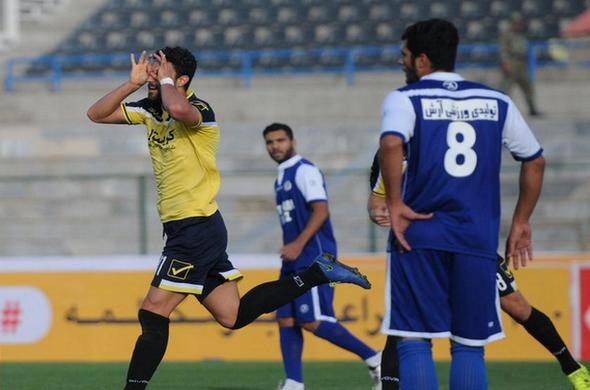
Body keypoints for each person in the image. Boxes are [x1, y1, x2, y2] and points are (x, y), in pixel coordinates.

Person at [86, 46, 371, 390]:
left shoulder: (199, 110)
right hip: (193, 227)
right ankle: (316, 274)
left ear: (182, 79)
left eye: (160, 68)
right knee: (232, 316)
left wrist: (163, 80)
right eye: (152, 67)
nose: (153, 73)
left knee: (153, 311)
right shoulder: (150, 109)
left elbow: (178, 107)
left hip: (194, 228)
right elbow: (97, 114)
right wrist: (131, 84)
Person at [379, 19, 546, 390]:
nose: (400, 63)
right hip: (476, 239)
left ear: (421, 61)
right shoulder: (496, 101)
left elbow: (391, 145)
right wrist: (521, 221)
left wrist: (394, 203)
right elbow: (534, 159)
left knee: (413, 340)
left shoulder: (405, 98)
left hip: (418, 234)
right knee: (469, 346)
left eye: (404, 56)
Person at [368, 152, 590, 390]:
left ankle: (573, 369)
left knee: (517, 306)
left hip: (466, 243)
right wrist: (381, 212)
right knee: (406, 323)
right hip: (422, 245)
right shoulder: (393, 149)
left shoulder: (446, 138)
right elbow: (379, 198)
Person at [262, 122, 382, 390]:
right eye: (270, 142)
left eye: (280, 140)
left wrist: (297, 244)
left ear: (293, 141)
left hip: (312, 257)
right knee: (286, 318)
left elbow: (320, 210)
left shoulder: (304, 170)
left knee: (313, 320)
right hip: (293, 259)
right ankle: (294, 382)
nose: (275, 146)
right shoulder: (282, 176)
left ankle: (375, 358)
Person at [499, 12, 542, 116]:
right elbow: (503, 50)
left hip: (521, 65)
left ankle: (532, 109)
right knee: (505, 89)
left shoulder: (521, 35)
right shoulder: (506, 35)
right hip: (512, 63)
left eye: (518, 23)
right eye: (515, 23)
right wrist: (506, 62)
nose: (517, 25)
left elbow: (524, 49)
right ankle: (501, 111)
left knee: (527, 88)